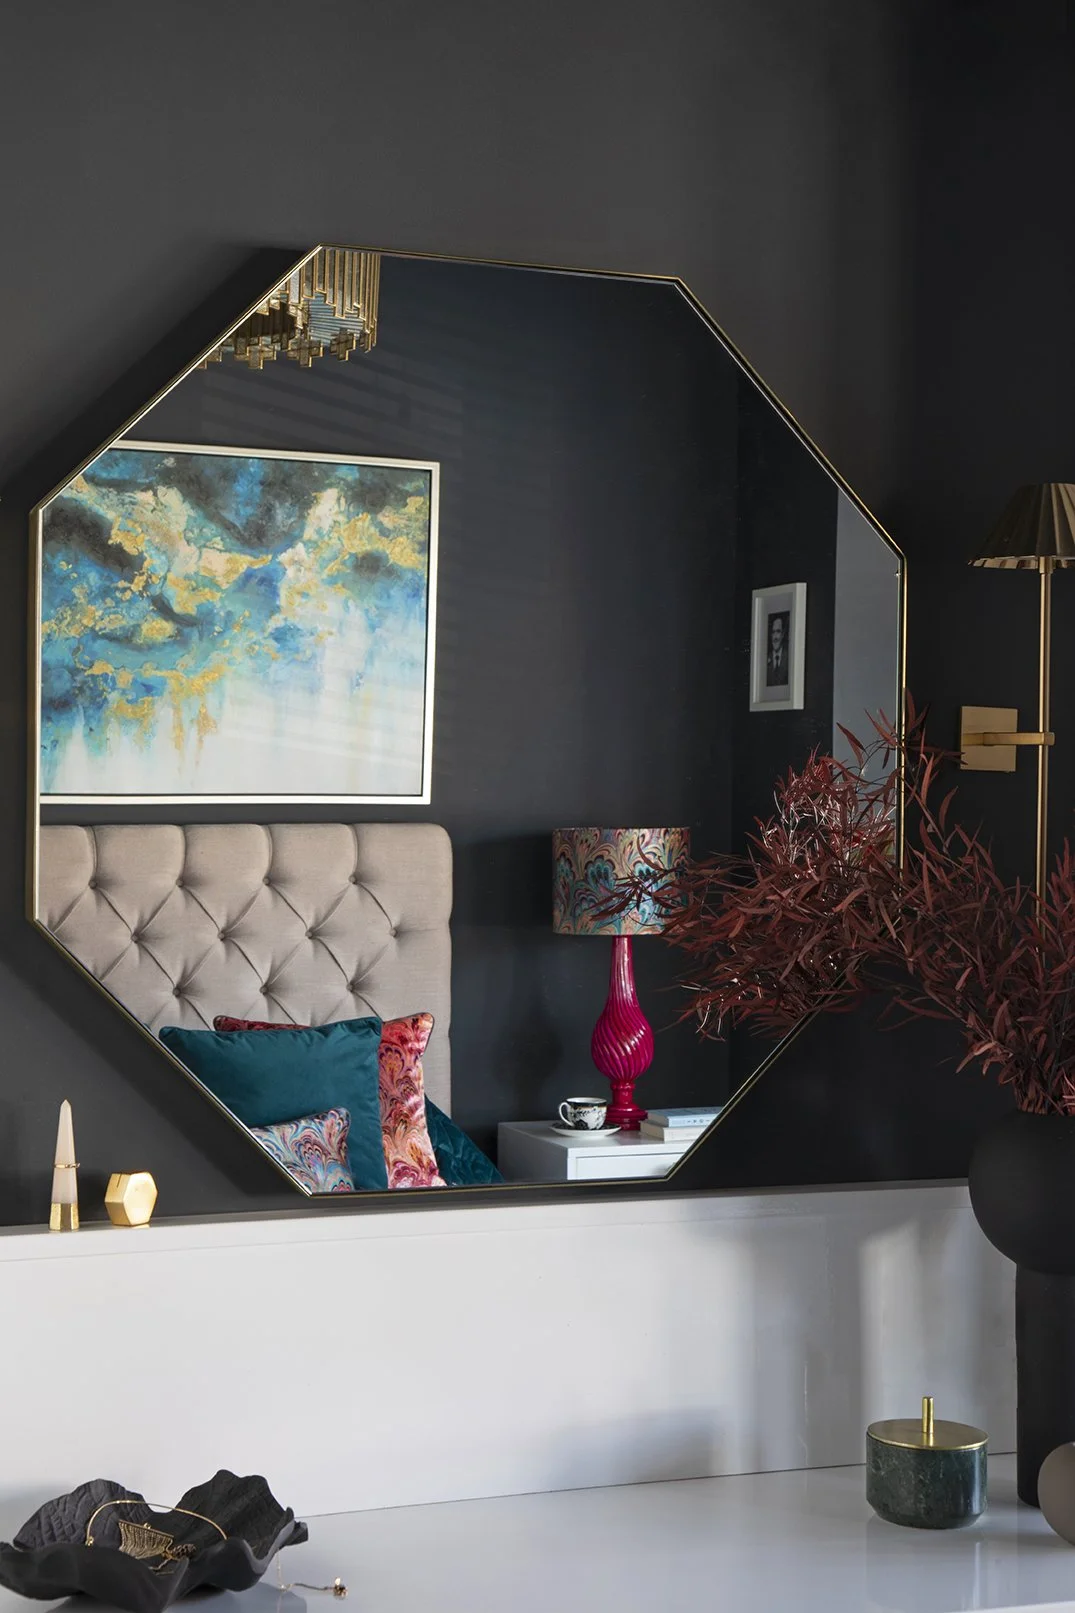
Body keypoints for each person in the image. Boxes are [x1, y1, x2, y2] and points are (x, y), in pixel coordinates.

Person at [766, 610, 789, 686]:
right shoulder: (766, 660)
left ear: (782, 635)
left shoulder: (789, 658)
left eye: (778, 631)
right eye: (773, 632)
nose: (775, 637)